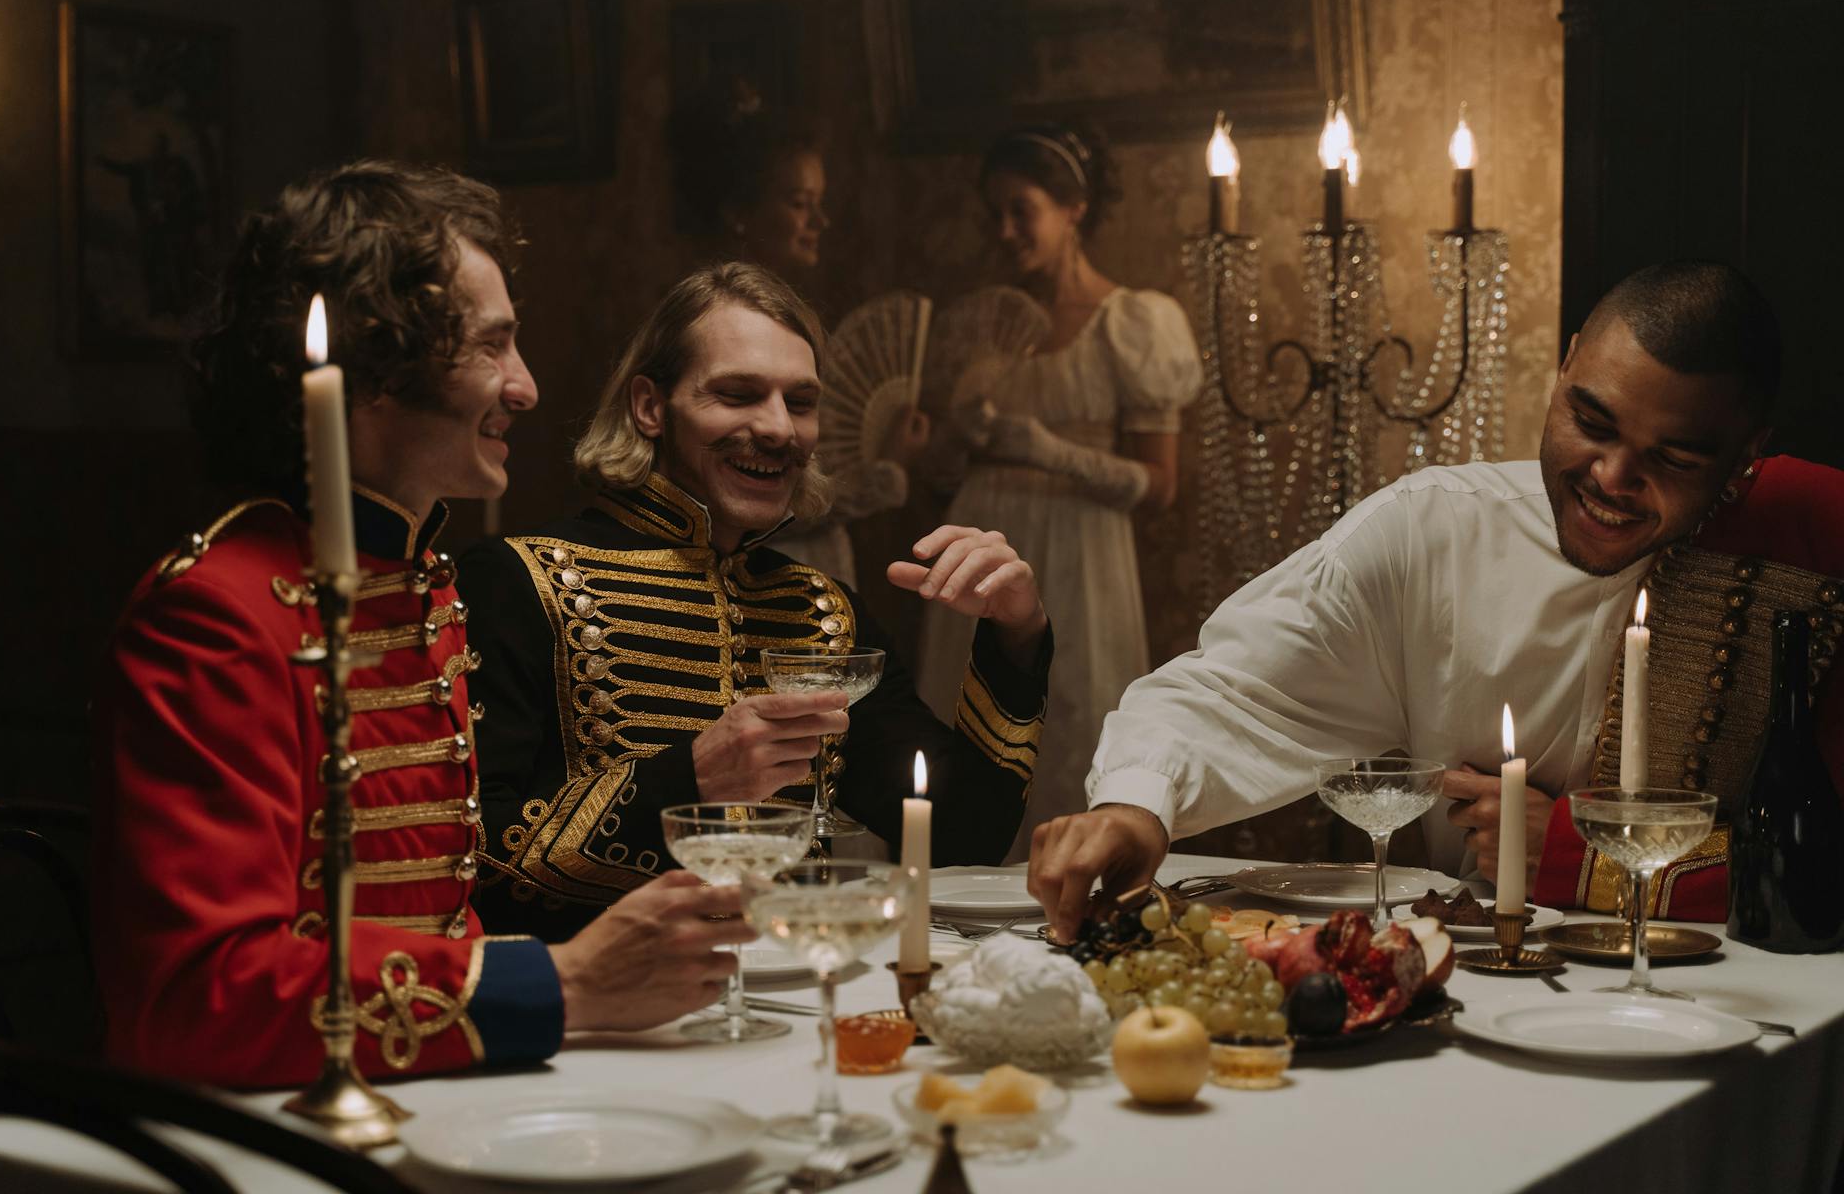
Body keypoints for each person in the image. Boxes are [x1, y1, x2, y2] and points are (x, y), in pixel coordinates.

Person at [93, 162, 750, 1089]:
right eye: (494, 346)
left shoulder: (417, 575)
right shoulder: (216, 614)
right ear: (377, 372)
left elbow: (431, 923)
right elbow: (200, 995)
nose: (524, 387)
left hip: (413, 1081)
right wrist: (558, 982)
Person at [1028, 260, 1844, 939]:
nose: (1610, 478)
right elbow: (1228, 691)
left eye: (1670, 459)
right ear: (1563, 367)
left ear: (1747, 459)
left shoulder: (1805, 560)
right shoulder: (1434, 532)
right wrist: (1136, 810)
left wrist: (1573, 849)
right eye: (1589, 421)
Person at [460, 261, 1053, 941]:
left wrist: (1017, 635)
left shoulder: (823, 612)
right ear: (650, 407)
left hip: (793, 990)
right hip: (600, 1010)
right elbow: (472, 855)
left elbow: (960, 836)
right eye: (738, 394)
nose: (779, 429)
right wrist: (690, 780)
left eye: (800, 402)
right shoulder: (514, 580)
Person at [917, 123, 1203, 860]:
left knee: (1070, 723)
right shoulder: (979, 328)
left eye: (1023, 209)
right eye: (995, 214)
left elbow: (1160, 486)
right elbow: (937, 475)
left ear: (1073, 208)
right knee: (966, 724)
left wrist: (1053, 453)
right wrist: (951, 444)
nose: (1005, 230)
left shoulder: (1131, 323)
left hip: (1079, 558)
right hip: (979, 544)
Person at [670, 85, 927, 585]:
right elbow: (753, 497)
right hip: (752, 574)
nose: (820, 221)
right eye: (799, 202)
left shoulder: (796, 324)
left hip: (818, 570)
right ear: (740, 212)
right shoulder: (701, 329)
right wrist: (887, 474)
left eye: (820, 203)